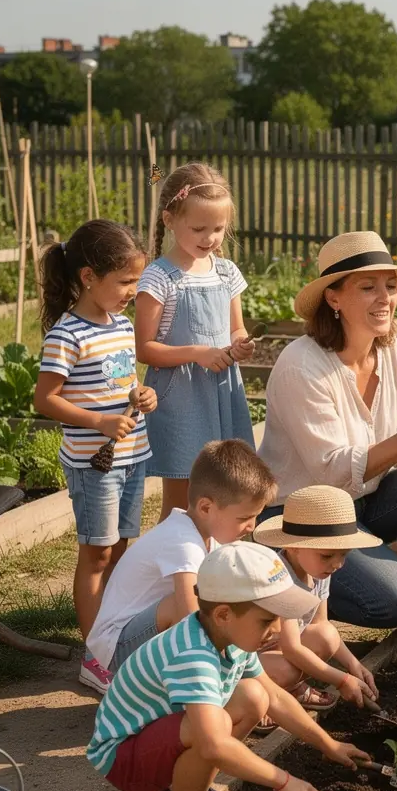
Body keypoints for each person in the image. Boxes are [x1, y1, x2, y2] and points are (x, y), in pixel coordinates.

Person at [86, 542, 370, 791]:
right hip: (124, 758)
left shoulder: (230, 637)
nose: (277, 630)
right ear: (223, 614)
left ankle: (181, 790)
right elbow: (213, 744)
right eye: (267, 620)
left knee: (254, 695)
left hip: (156, 739)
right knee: (213, 728)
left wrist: (329, 744)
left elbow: (276, 698)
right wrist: (283, 781)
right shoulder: (193, 655)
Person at [259, 231, 397, 644]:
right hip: (301, 518)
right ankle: (285, 575)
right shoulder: (301, 366)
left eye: (390, 287)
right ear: (334, 298)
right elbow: (332, 472)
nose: (385, 298)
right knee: (394, 599)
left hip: (365, 501)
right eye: (368, 287)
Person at [33, 220, 158, 694]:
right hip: (93, 461)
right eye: (125, 282)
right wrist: (99, 422)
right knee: (98, 552)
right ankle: (97, 658)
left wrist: (143, 396)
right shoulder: (67, 334)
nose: (133, 291)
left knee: (121, 551)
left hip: (133, 454)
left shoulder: (122, 326)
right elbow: (46, 399)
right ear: (89, 277)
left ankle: (116, 641)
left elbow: (122, 385)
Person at [84, 440, 277, 693]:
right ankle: (204, 686)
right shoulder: (182, 541)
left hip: (145, 637)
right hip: (116, 650)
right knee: (192, 607)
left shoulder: (208, 536)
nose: (251, 526)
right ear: (206, 507)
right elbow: (189, 613)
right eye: (244, 518)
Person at [135, 163, 255, 524]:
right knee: (181, 499)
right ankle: (170, 575)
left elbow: (236, 329)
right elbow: (145, 349)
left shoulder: (225, 271)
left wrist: (241, 344)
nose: (210, 238)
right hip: (181, 397)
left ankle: (208, 568)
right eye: (199, 228)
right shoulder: (158, 277)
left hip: (222, 392)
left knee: (221, 490)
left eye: (218, 229)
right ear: (169, 219)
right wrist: (198, 353)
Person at [252, 485, 382, 723]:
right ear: (293, 546)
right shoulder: (280, 577)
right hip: (251, 658)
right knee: (287, 670)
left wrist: (354, 665)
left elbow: (320, 624)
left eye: (343, 555)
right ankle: (266, 698)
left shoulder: (319, 571)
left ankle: (292, 688)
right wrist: (341, 680)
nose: (337, 564)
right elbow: (292, 648)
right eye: (327, 555)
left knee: (327, 635)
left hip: (279, 648)